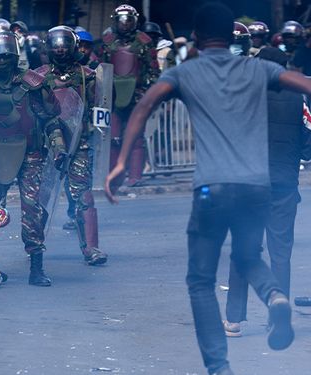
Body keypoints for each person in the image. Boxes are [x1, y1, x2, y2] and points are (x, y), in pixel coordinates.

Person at [105, 3, 311, 374]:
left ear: (197, 38)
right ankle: (274, 295)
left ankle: (219, 367)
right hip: (256, 190)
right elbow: (305, 85)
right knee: (248, 257)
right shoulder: (260, 68)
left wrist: (121, 164)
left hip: (211, 191)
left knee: (200, 280)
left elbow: (144, 105)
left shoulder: (187, 72)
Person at [0, 29, 67, 286]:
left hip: (31, 155)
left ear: (13, 55)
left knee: (32, 210)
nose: (1, 62)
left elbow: (51, 117)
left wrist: (58, 147)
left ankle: (36, 267)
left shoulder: (34, 83)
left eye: (5, 56)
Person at [223, 47, 308, 337]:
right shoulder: (301, 98)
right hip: (284, 186)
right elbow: (308, 145)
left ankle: (234, 319)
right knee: (280, 253)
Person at [35, 26, 108, 266]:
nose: (60, 49)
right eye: (56, 44)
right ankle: (34, 245)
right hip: (47, 145)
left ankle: (92, 248)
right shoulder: (38, 77)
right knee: (40, 197)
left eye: (65, 44)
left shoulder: (88, 75)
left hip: (80, 143)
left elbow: (101, 107)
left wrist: (101, 135)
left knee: (83, 195)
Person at [97, 4, 160, 187]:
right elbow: (101, 69)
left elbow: (153, 70)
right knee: (113, 138)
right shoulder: (108, 42)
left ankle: (134, 176)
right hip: (113, 97)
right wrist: (102, 93)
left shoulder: (144, 41)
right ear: (115, 21)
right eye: (121, 20)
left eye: (129, 20)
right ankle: (114, 176)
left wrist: (148, 94)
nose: (125, 24)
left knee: (136, 138)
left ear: (135, 21)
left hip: (137, 96)